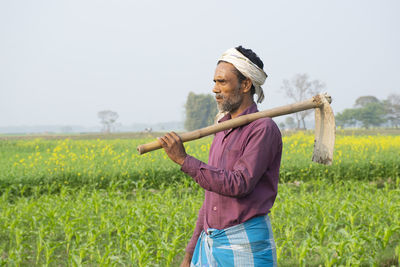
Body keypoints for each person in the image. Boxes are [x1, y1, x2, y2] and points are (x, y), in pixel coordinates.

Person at [158, 46, 282, 267]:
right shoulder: (221, 128)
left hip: (246, 244)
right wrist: (190, 252)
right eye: (215, 82)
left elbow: (239, 184)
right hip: (209, 243)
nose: (215, 89)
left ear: (245, 85)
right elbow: (210, 198)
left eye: (222, 82)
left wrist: (184, 161)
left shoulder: (262, 129)